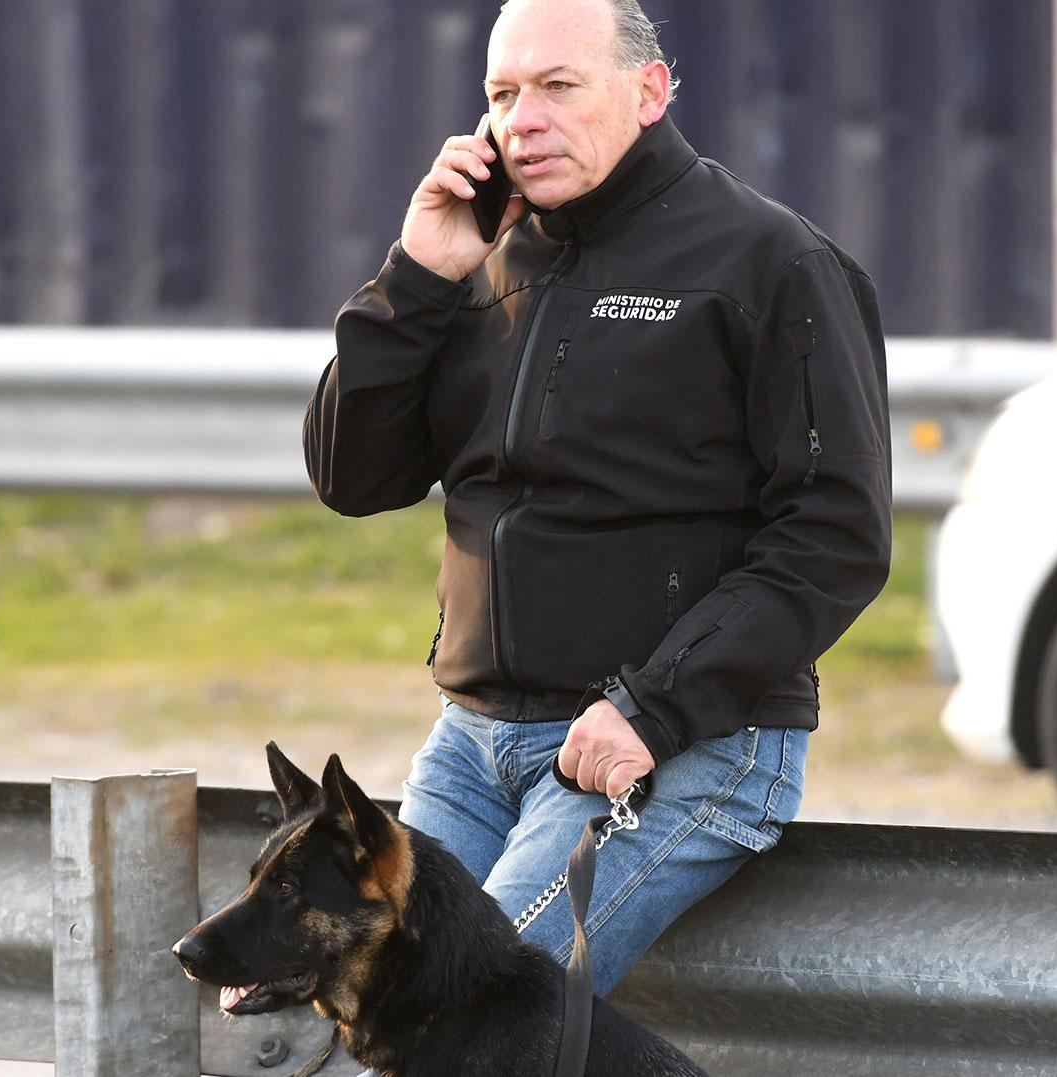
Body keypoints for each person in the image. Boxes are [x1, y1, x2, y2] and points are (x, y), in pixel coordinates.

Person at [303, 0, 890, 996]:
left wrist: (652, 710)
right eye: (501, 94)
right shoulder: (478, 259)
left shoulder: (771, 263)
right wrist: (415, 280)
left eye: (557, 87)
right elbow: (355, 479)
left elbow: (835, 534)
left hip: (678, 742)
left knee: (469, 1018)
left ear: (649, 91)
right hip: (477, 742)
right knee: (368, 1007)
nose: (521, 120)